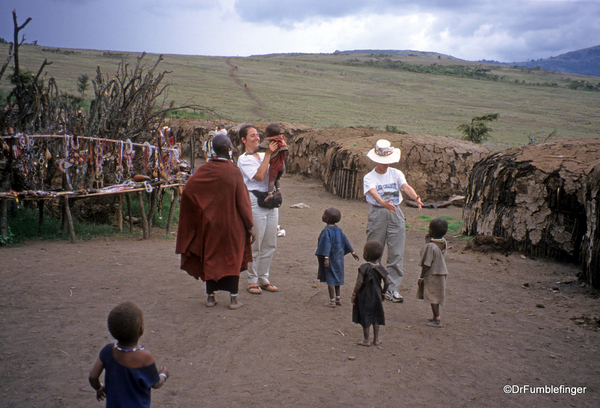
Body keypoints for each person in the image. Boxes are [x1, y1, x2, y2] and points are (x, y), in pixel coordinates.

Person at [176, 134, 254, 310]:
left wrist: (203, 210)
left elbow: (188, 190)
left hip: (210, 225)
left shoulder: (205, 169)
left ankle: (210, 298)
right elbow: (242, 203)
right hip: (233, 226)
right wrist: (250, 226)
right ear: (229, 148)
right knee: (232, 259)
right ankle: (233, 300)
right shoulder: (233, 171)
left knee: (210, 256)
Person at [363, 139, 423, 303]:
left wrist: (416, 197)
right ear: (376, 160)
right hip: (378, 213)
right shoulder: (369, 177)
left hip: (395, 212)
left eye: (388, 161)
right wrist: (382, 202)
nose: (386, 165)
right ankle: (372, 285)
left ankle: (392, 289)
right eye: (384, 162)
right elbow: (374, 192)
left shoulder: (396, 173)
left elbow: (405, 187)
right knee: (375, 250)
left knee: (396, 253)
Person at [88, 301, 169, 407]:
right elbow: (156, 384)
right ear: (142, 329)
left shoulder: (107, 351)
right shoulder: (145, 357)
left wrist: (99, 388)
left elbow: (93, 377)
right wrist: (163, 374)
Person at [237, 124, 280, 295]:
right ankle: (252, 280)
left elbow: (276, 172)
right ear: (243, 139)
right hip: (254, 200)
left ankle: (263, 278)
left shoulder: (262, 155)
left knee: (270, 242)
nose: (256, 138)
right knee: (255, 242)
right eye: (252, 135)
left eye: (257, 135)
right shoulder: (244, 159)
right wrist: (269, 155)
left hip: (270, 200)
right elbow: (260, 176)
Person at [315, 207, 359, 307]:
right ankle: (338, 299)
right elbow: (345, 241)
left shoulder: (326, 231)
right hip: (339, 259)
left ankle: (332, 301)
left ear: (326, 219)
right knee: (337, 278)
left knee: (330, 279)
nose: (322, 215)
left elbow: (326, 244)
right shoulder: (338, 230)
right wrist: (352, 251)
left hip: (330, 259)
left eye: (324, 214)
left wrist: (326, 258)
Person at [351, 241, 391, 347]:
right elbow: (387, 282)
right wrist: (383, 292)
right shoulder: (381, 268)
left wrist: (354, 293)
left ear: (365, 255)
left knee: (366, 316)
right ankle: (376, 339)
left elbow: (359, 282)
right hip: (377, 296)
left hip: (364, 296)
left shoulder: (364, 267)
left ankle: (366, 340)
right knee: (376, 316)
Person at [417, 218, 449, 328]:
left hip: (433, 274)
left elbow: (427, 264)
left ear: (430, 231)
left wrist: (421, 277)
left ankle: (437, 319)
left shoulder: (431, 247)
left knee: (433, 298)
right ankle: (436, 317)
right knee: (436, 296)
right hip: (441, 272)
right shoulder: (443, 242)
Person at [250, 123, 288, 202]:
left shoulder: (269, 140)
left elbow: (260, 147)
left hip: (275, 165)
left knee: (272, 179)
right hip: (282, 165)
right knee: (277, 178)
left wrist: (252, 152)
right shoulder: (282, 138)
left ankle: (270, 194)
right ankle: (278, 190)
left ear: (267, 133)